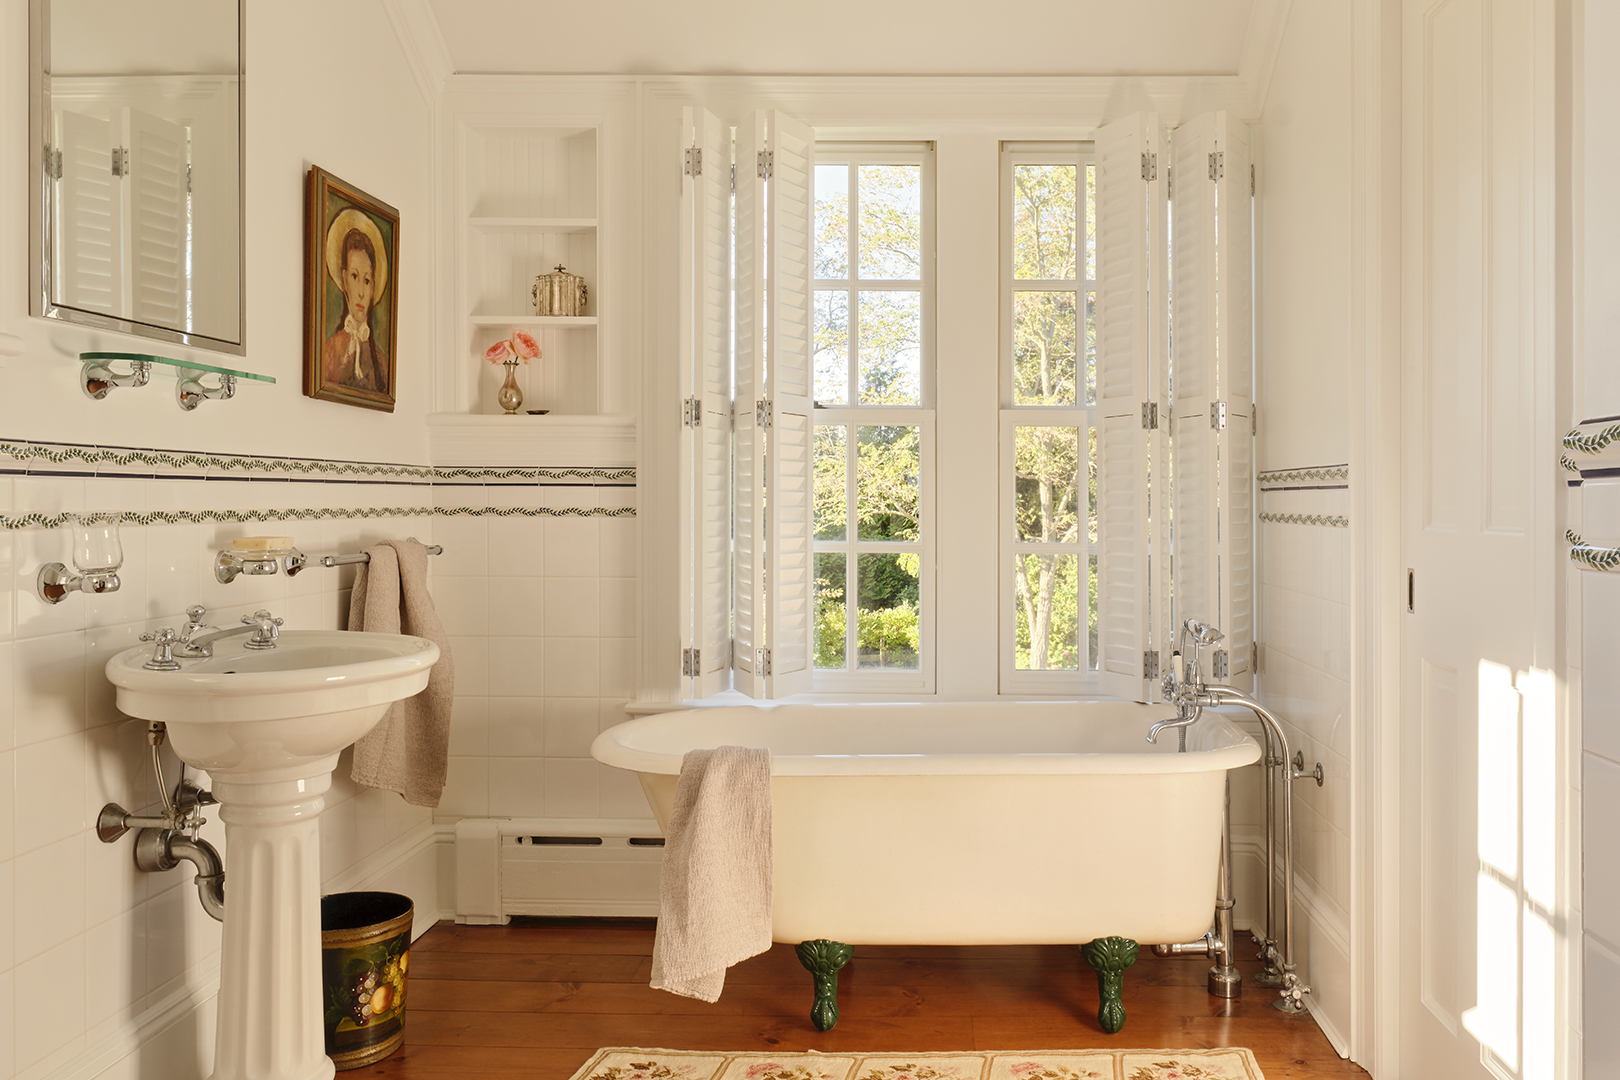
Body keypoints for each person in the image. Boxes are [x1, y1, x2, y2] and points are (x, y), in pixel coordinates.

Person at [321, 210, 389, 394]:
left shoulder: (382, 362)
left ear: (373, 286)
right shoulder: (329, 351)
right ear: (344, 280)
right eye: (354, 276)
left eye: (366, 281)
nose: (361, 292)